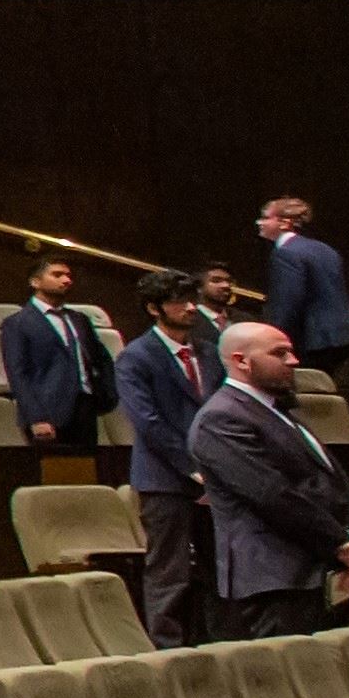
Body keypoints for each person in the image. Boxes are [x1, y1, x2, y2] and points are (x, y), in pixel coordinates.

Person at [195, 318, 349, 640]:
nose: (294, 360)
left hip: (315, 571)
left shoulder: (275, 411)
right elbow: (271, 495)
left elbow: (325, 483)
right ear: (241, 361)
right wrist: (340, 542)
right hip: (276, 580)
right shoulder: (221, 418)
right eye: (279, 353)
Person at [115, 272, 227, 648]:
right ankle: (168, 649)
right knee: (169, 570)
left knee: (218, 567)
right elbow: (148, 422)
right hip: (165, 479)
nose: (191, 307)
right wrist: (192, 468)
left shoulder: (210, 352)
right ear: (154, 308)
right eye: (180, 301)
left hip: (215, 475)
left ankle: (218, 643)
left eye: (193, 299)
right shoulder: (136, 356)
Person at [0, 252, 119, 472]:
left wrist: (107, 396)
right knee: (58, 475)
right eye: (57, 275)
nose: (66, 280)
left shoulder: (79, 319)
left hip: (85, 408)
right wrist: (36, 417)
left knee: (87, 475)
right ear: (35, 282)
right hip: (48, 412)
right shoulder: (18, 323)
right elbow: (18, 374)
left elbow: (101, 359)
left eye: (68, 275)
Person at [253, 197, 349, 379]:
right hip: (340, 338)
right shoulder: (325, 249)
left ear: (285, 223)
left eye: (266, 217)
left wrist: (274, 341)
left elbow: (287, 303)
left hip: (309, 340)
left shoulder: (285, 253)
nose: (259, 222)